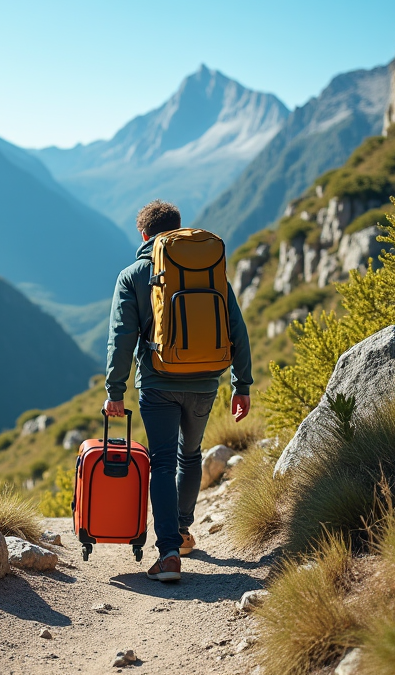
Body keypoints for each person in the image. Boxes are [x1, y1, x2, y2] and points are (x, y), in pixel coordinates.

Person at [104, 199, 252, 582]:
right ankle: (184, 532)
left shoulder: (134, 275)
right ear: (178, 228)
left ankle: (169, 553)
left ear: (143, 234)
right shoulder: (209, 270)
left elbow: (121, 339)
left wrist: (114, 391)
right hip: (205, 382)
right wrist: (242, 385)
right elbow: (237, 329)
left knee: (163, 461)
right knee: (191, 456)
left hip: (157, 384)